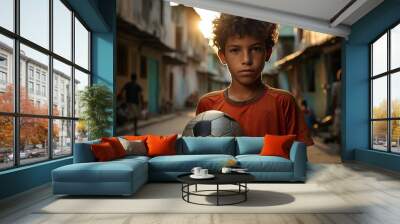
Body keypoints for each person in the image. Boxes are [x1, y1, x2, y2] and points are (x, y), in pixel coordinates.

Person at [196, 14, 313, 146]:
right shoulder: (207, 104)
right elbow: (200, 155)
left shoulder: (284, 103)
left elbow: (298, 159)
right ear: (222, 56)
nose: (246, 60)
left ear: (268, 53)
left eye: (255, 49)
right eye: (235, 50)